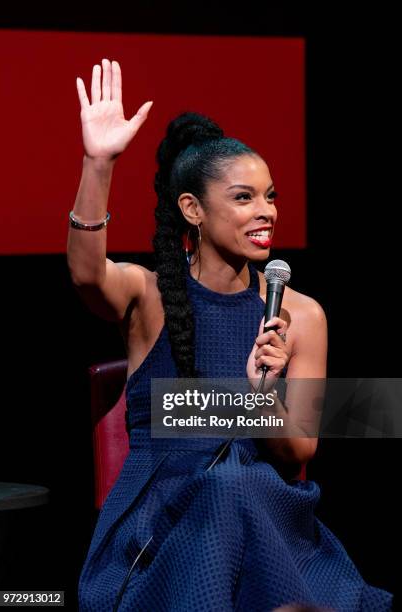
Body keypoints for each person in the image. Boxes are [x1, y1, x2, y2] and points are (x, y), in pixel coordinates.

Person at [68, 59, 394, 611]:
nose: (266, 211)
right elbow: (86, 273)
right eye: (244, 198)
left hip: (266, 513)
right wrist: (98, 164)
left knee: (238, 486)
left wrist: (262, 398)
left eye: (271, 196)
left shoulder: (302, 314)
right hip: (166, 520)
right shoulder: (149, 296)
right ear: (192, 209)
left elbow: (300, 449)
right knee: (224, 488)